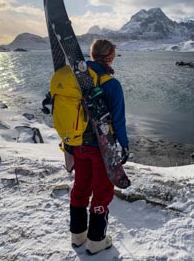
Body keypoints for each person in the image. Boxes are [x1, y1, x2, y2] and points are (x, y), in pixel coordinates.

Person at [70, 39, 129, 255]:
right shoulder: (111, 84)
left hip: (78, 144)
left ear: (92, 55)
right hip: (101, 148)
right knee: (102, 191)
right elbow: (119, 120)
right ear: (110, 57)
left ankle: (78, 236)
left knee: (81, 187)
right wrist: (124, 145)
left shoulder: (77, 78)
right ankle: (96, 240)